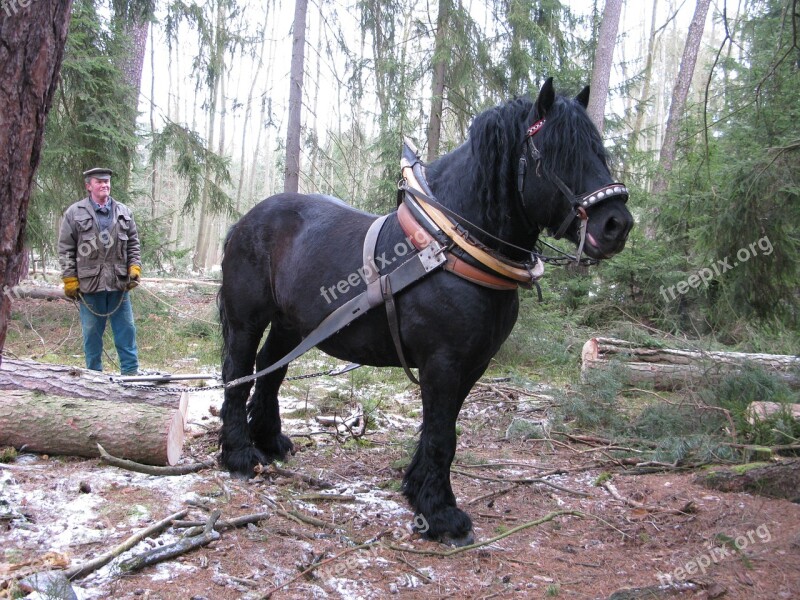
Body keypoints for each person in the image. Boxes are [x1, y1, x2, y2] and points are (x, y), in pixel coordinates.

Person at [58, 167, 142, 375]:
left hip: (119, 283)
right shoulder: (74, 212)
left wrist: (135, 267)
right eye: (99, 181)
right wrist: (70, 279)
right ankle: (94, 377)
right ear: (89, 186)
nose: (105, 184)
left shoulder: (124, 212)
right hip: (89, 284)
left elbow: (133, 244)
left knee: (126, 330)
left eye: (107, 181)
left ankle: (130, 375)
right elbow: (66, 248)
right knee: (92, 334)